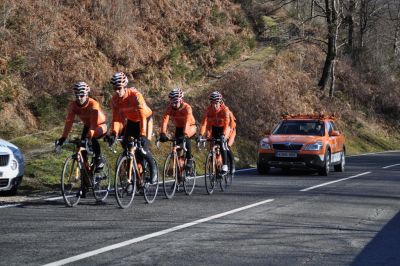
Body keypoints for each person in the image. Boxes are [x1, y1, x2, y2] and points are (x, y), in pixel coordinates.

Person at [106, 72, 157, 184]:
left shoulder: (135, 96)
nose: (117, 91)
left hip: (145, 119)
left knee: (143, 147)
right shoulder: (115, 100)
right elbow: (116, 119)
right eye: (115, 88)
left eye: (119, 88)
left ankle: (153, 169)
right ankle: (131, 175)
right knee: (126, 146)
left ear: (124, 86)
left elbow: (142, 115)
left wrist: (143, 134)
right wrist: (114, 133)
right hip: (132, 121)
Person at [55, 81, 107, 172]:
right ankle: (87, 172)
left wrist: (89, 135)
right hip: (87, 126)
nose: (79, 98)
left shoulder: (93, 104)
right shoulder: (73, 105)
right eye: (77, 95)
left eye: (82, 95)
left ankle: (99, 158)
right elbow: (69, 122)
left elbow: (94, 123)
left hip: (100, 125)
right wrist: (63, 138)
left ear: (86, 94)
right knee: (81, 148)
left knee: (92, 136)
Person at [159, 88, 197, 170]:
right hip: (179, 128)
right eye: (172, 102)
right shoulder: (169, 108)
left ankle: (189, 159)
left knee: (186, 139)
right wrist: (162, 133)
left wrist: (185, 133)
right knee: (175, 147)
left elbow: (187, 121)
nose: (174, 104)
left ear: (181, 100)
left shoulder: (187, 108)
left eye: (176, 102)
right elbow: (165, 121)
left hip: (190, 127)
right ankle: (179, 168)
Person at [199, 91, 231, 175]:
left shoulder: (225, 109)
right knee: (212, 144)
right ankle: (213, 162)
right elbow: (204, 123)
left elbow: (227, 123)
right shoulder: (209, 109)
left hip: (224, 128)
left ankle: (225, 166)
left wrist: (223, 135)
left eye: (216, 103)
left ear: (220, 102)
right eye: (212, 103)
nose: (214, 105)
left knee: (222, 143)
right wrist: (200, 134)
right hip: (214, 128)